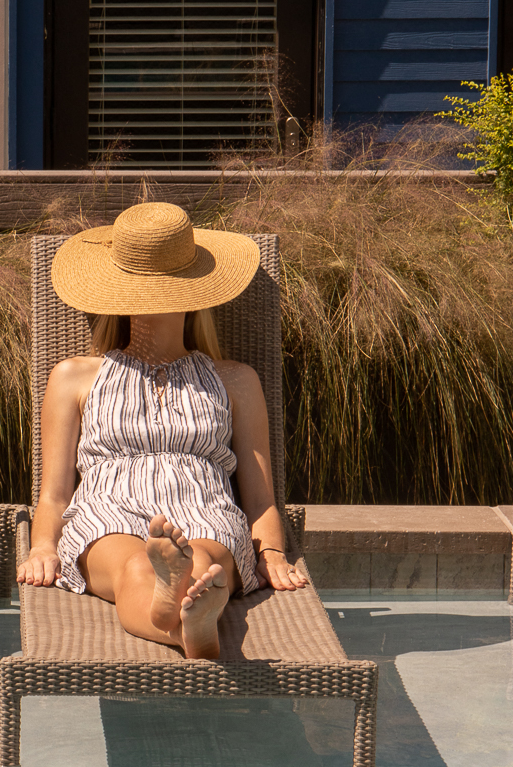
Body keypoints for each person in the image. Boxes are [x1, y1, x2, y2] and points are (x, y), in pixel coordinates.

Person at [16, 202, 308, 660]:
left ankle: (182, 619)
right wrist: (42, 546)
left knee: (202, 563)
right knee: (137, 566)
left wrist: (271, 553)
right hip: (106, 510)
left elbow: (260, 499)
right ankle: (192, 628)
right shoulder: (74, 376)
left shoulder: (236, 379)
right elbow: (54, 494)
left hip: (205, 508)